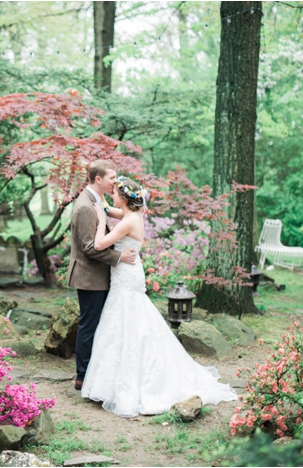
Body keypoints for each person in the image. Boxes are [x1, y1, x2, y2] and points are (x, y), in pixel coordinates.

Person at [81, 176, 237, 417]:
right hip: (127, 273)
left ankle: (133, 381)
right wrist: (100, 201)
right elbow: (112, 208)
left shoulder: (127, 221)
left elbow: (100, 244)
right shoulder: (133, 214)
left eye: (114, 193)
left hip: (126, 276)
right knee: (125, 322)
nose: (112, 197)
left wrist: (101, 221)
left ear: (124, 198)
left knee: (128, 323)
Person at [68, 160, 137, 391]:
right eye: (112, 177)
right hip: (90, 277)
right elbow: (89, 247)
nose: (115, 181)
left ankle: (94, 372)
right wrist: (118, 257)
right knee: (89, 325)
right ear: (98, 179)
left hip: (100, 275)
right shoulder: (86, 206)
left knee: (98, 324)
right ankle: (83, 376)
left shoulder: (97, 200)